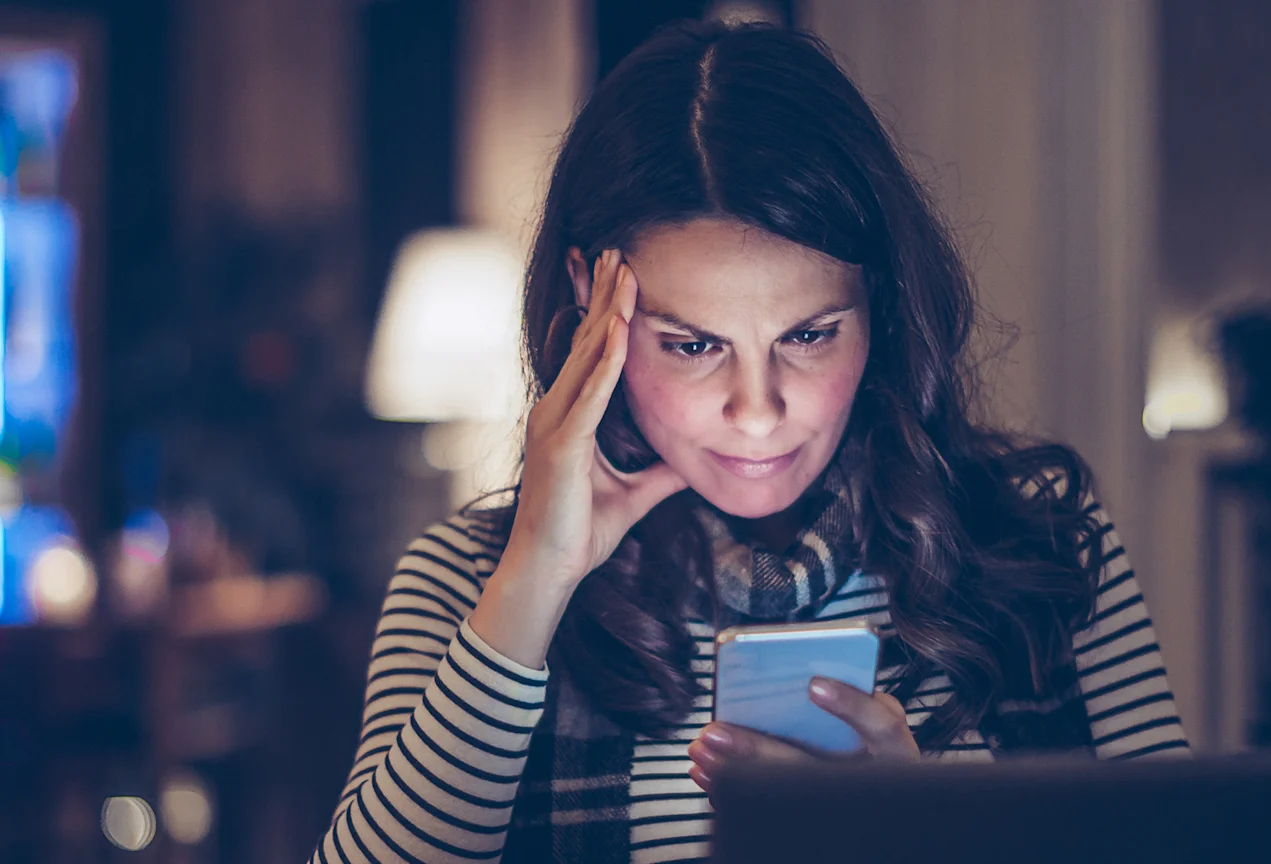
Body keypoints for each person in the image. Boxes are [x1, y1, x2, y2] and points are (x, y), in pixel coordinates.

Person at [311, 19, 1188, 864]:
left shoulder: (1039, 546)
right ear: (589, 299)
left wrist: (920, 836)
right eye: (693, 346)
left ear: (879, 302)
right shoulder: (466, 584)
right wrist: (536, 576)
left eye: (809, 336)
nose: (759, 412)